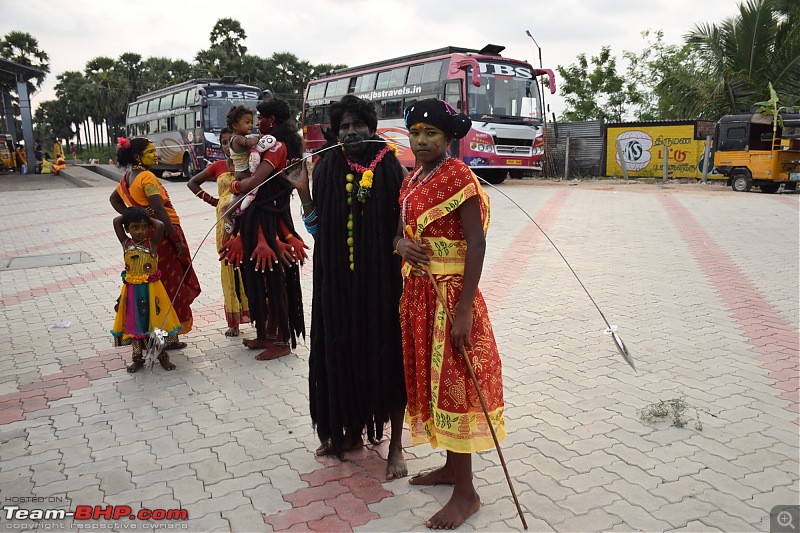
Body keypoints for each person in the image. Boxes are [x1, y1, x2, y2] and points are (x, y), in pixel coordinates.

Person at [394, 99, 506, 530]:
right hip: (419, 296)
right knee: (434, 386)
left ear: (449, 138)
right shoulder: (412, 180)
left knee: (457, 388)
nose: (421, 142)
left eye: (432, 134)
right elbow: (400, 233)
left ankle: (467, 493)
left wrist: (463, 313)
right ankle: (450, 469)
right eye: (415, 133)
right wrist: (399, 245)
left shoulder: (458, 175)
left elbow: (475, 244)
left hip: (453, 297)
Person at [282, 94, 408, 478]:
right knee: (342, 355)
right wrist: (304, 193)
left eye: (358, 125)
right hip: (336, 283)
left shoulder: (391, 167)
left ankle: (397, 447)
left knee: (387, 356)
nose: (351, 133)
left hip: (382, 285)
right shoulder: (327, 166)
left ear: (371, 127)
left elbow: (403, 227)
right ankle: (349, 433)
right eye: (344, 127)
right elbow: (319, 229)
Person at [219, 96, 306, 361]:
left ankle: (282, 340)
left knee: (275, 280)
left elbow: (253, 183)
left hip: (269, 219)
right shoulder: (267, 144)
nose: (257, 123)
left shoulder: (277, 146)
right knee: (259, 278)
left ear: (273, 120)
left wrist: (234, 186)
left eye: (261, 117)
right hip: (257, 216)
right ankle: (265, 333)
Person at [109, 137, 201, 350]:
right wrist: (176, 240)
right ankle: (168, 338)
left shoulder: (128, 177)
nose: (156, 155)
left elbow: (114, 200)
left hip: (146, 236)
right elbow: (159, 210)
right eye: (151, 152)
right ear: (138, 157)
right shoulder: (147, 177)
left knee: (153, 287)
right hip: (163, 236)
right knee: (170, 285)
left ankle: (154, 334)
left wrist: (134, 218)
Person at [187, 127, 251, 337]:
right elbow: (192, 183)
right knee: (229, 267)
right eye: (224, 142)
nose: (227, 145)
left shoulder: (252, 162)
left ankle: (257, 315)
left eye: (231, 141)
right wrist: (215, 202)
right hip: (224, 224)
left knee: (249, 266)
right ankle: (233, 323)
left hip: (248, 219)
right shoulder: (217, 166)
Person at [110, 207, 183, 373]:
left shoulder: (152, 244)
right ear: (126, 229)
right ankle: (137, 358)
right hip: (133, 292)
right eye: (135, 227)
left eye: (144, 227)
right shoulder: (125, 243)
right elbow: (116, 221)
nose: (140, 231)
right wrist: (132, 214)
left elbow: (159, 225)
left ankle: (162, 356)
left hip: (152, 292)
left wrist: (147, 217)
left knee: (156, 323)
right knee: (135, 325)